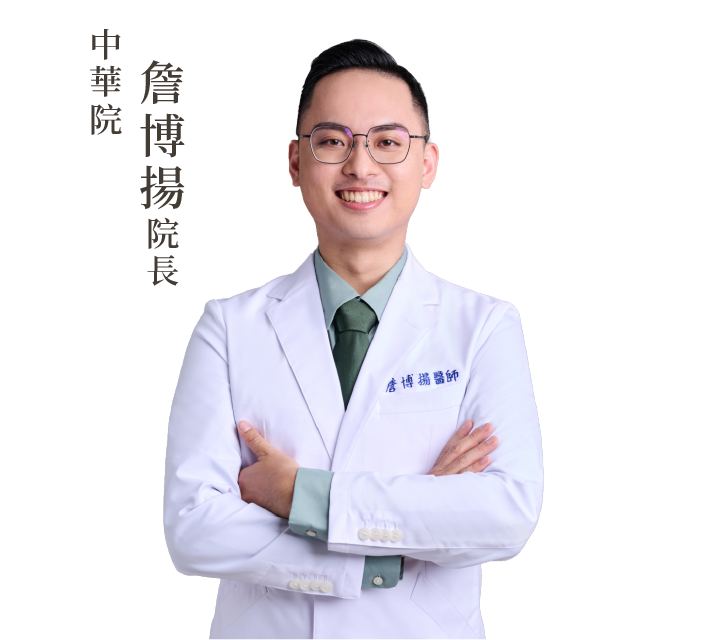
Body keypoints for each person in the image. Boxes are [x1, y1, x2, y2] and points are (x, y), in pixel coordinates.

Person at [163, 38, 544, 640]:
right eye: (333, 141)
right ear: (296, 162)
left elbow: (504, 515)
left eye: (388, 142)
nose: (361, 166)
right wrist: (395, 539)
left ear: (428, 163)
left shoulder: (484, 327)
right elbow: (194, 528)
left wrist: (301, 495)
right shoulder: (229, 327)